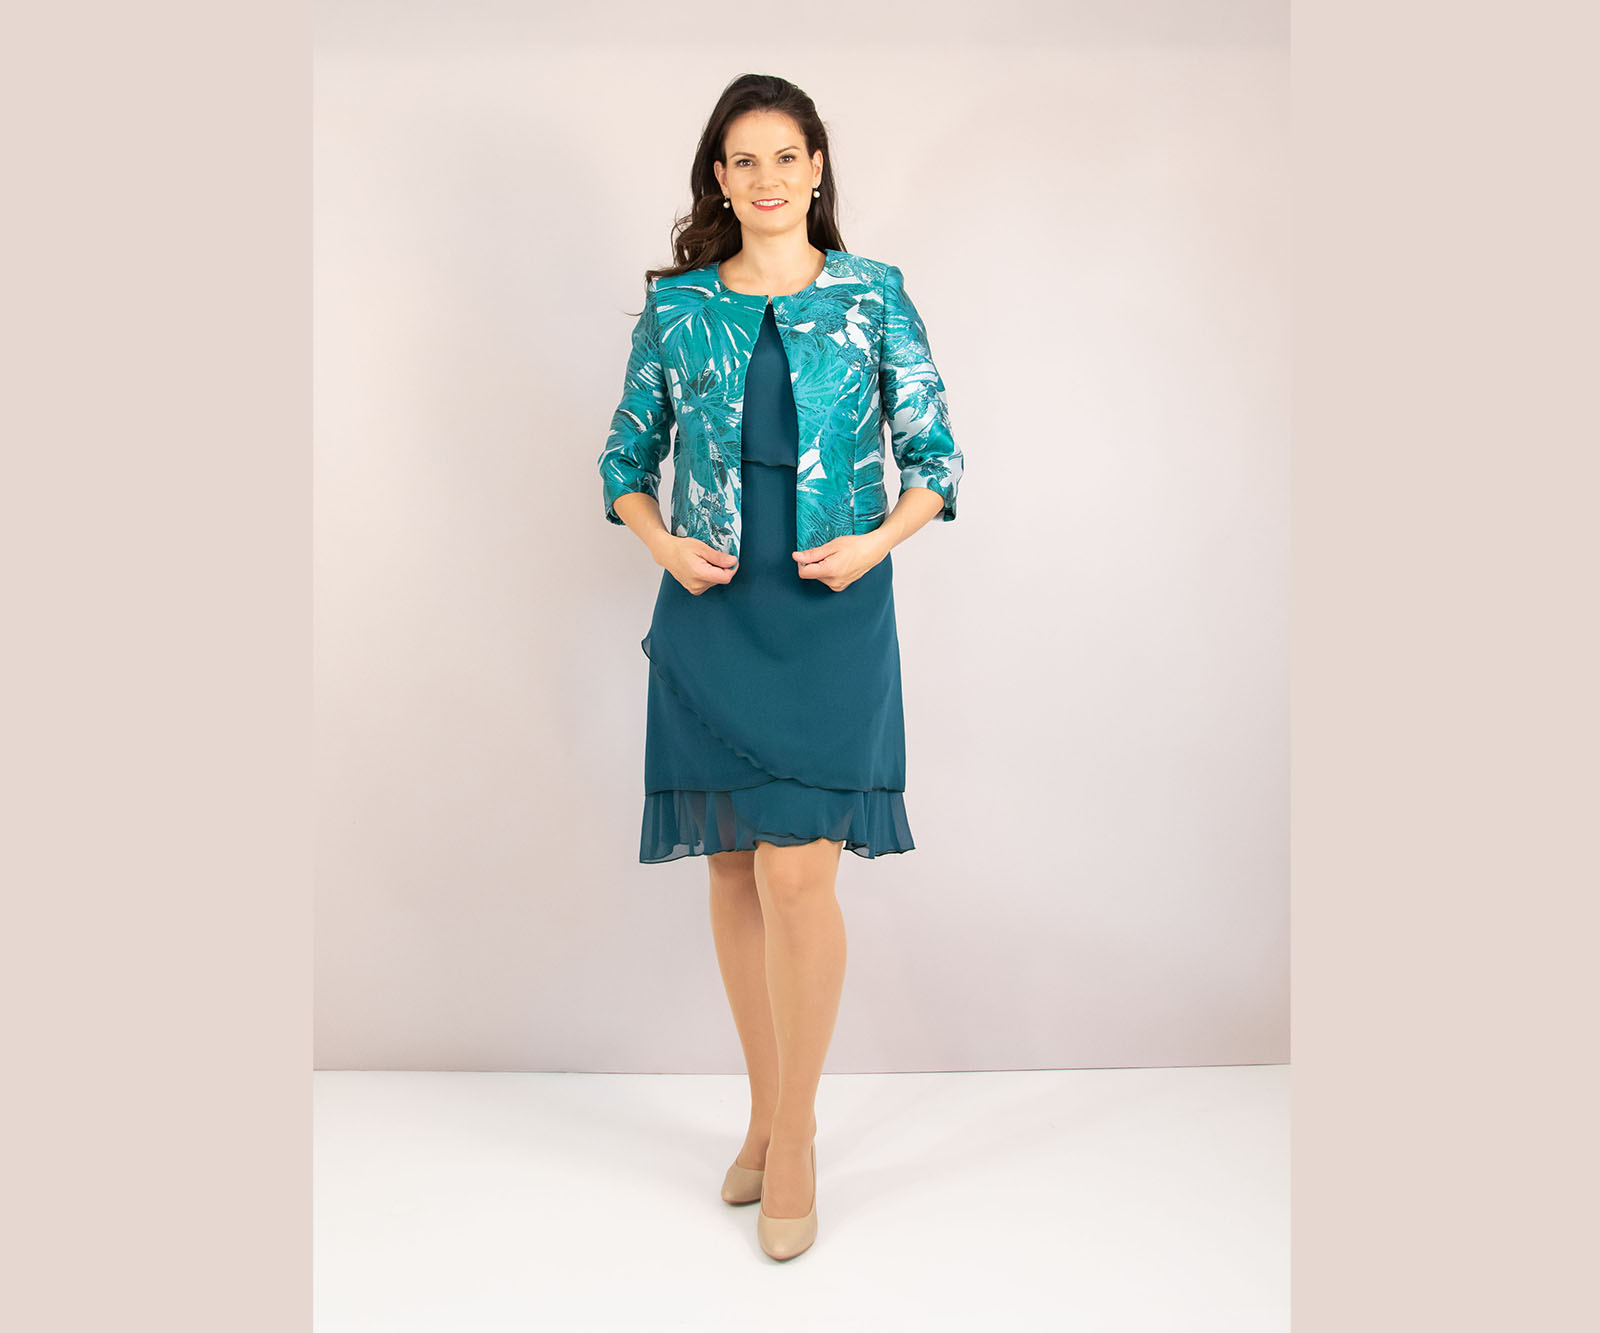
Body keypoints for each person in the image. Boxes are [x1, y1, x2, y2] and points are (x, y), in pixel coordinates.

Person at [597, 73, 963, 1261]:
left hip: (831, 608)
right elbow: (623, 458)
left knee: (801, 874)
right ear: (719, 177)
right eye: (744, 160)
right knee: (733, 870)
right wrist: (663, 544)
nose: (767, 179)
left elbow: (938, 458)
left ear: (816, 169)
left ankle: (796, 1133)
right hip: (711, 613)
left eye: (787, 156)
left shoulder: (873, 295)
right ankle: (761, 1110)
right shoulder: (678, 308)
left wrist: (874, 543)